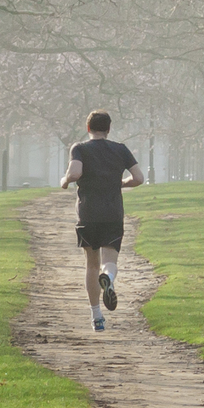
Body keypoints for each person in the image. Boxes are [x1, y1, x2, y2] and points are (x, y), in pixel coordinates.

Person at [61, 110, 143, 332]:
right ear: (108, 129)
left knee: (91, 263)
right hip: (113, 213)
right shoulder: (121, 149)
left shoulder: (80, 148)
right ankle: (107, 278)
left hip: (88, 214)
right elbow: (139, 178)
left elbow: (75, 173)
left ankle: (97, 317)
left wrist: (65, 179)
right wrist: (119, 183)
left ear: (88, 128)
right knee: (109, 261)